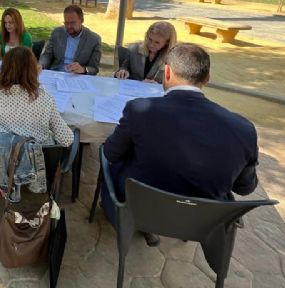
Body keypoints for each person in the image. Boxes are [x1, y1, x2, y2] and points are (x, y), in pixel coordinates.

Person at [102, 43, 259, 245]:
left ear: (166, 72)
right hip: (202, 223)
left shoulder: (139, 110)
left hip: (140, 212)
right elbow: (245, 188)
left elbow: (111, 153)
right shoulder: (244, 129)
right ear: (207, 79)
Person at [0, 46, 74, 197]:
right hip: (39, 172)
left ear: (3, 69)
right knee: (69, 136)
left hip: (5, 171)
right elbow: (67, 139)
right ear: (33, 70)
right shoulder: (44, 100)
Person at [38, 4, 102, 74]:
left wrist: (83, 69)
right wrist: (41, 65)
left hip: (77, 76)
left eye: (72, 23)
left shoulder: (94, 39)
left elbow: (94, 68)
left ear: (82, 20)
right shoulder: (57, 33)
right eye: (66, 23)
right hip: (56, 73)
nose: (69, 26)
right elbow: (47, 55)